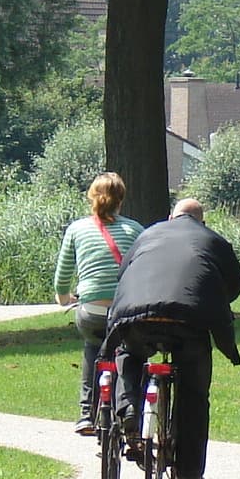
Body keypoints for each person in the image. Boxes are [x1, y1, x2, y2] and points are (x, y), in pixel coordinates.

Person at [102, 197, 240, 479]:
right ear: (202, 222)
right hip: (188, 321)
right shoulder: (214, 241)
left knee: (128, 352)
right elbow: (234, 285)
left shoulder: (147, 234)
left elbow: (123, 274)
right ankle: (190, 473)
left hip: (137, 316)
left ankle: (127, 409)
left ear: (170, 217)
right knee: (194, 392)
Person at [53, 172, 142, 434]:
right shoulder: (135, 229)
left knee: (93, 347)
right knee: (130, 351)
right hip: (126, 311)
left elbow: (63, 274)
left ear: (91, 197)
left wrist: (64, 298)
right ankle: (129, 409)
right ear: (121, 200)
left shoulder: (77, 229)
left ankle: (86, 415)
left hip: (91, 310)